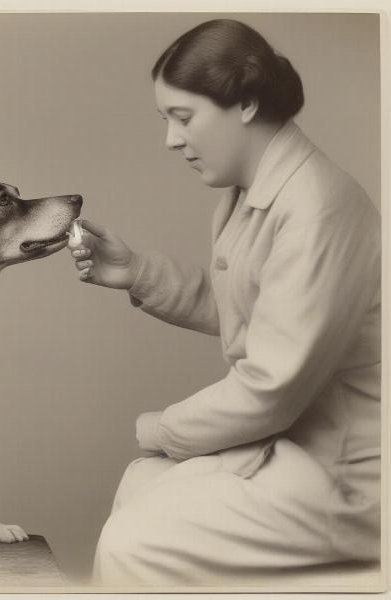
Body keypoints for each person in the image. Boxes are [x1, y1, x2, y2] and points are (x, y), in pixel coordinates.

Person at [69, 19, 381, 585]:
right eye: (165, 120)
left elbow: (269, 388)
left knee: (132, 547)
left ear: (246, 103)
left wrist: (159, 427)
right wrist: (136, 271)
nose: (170, 139)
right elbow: (256, 313)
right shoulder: (252, 192)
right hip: (295, 446)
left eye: (183, 118)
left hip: (347, 475)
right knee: (140, 483)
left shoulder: (318, 206)